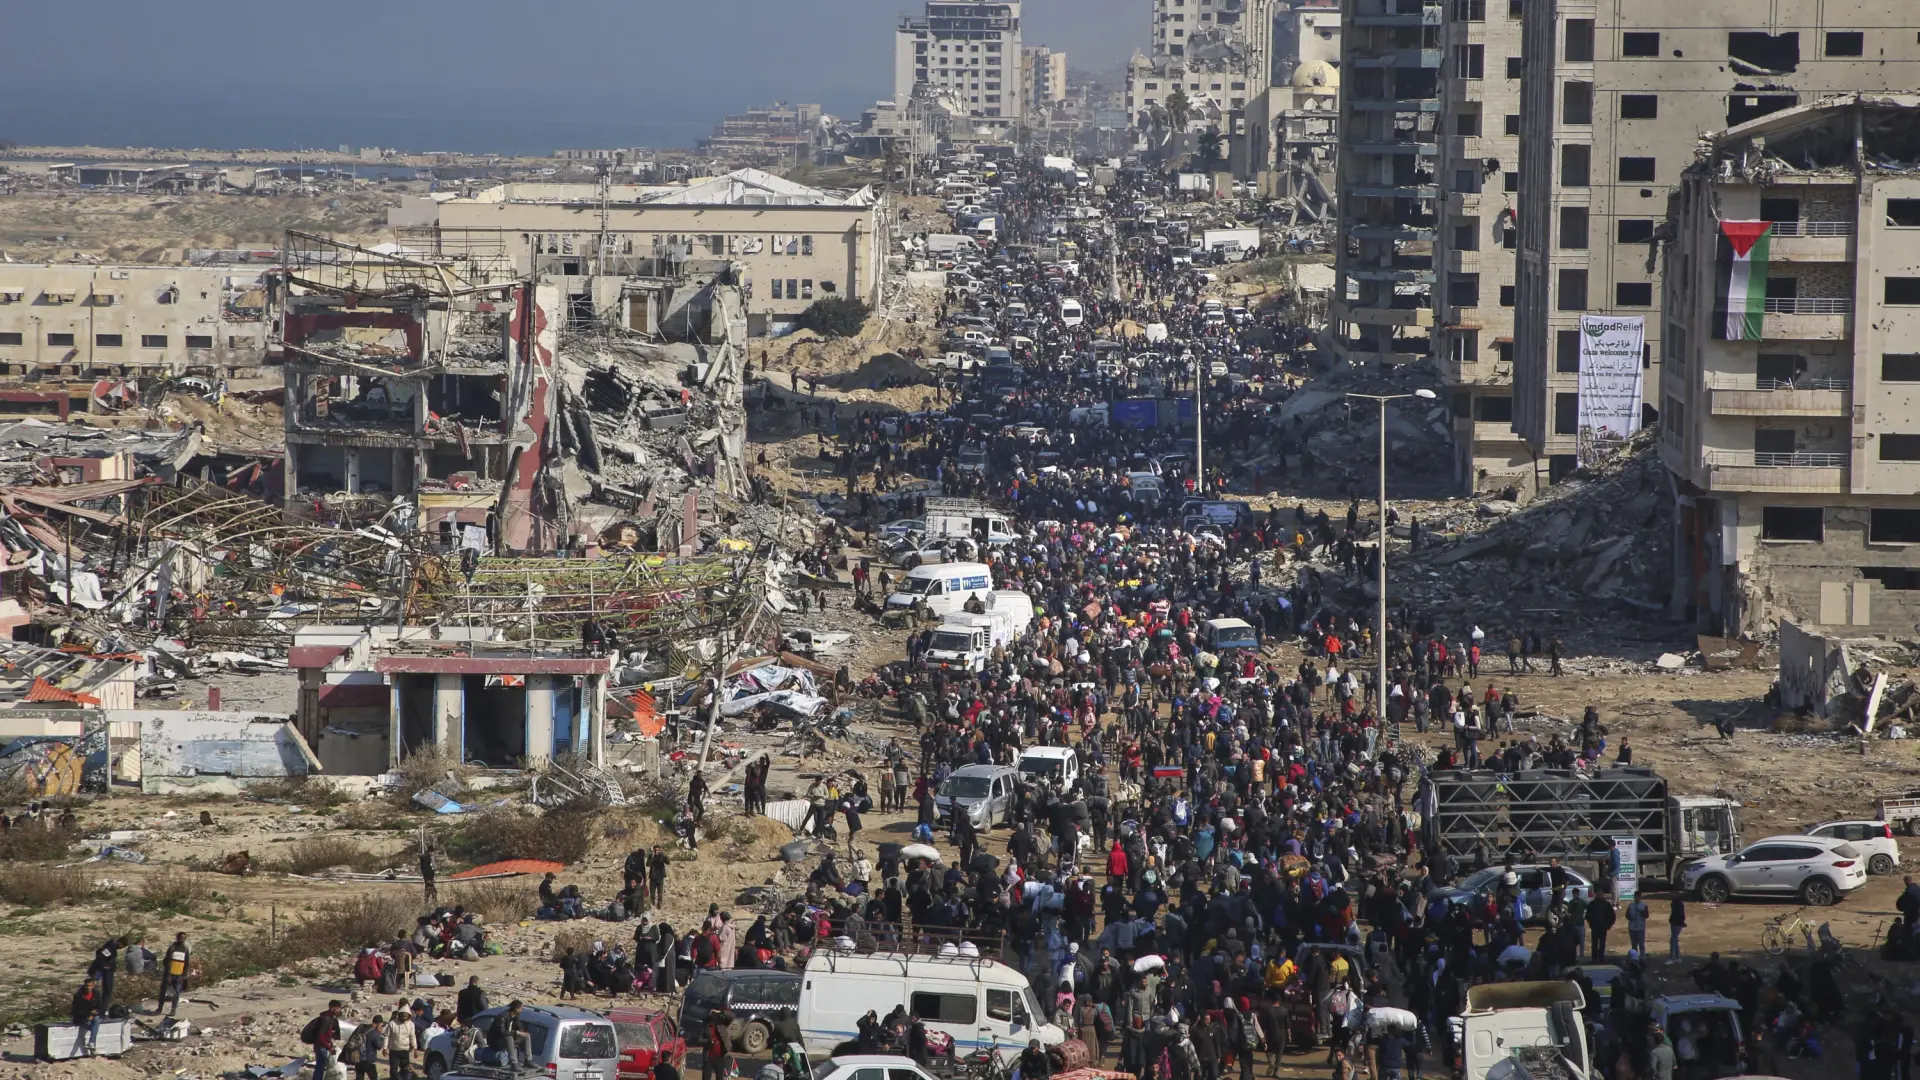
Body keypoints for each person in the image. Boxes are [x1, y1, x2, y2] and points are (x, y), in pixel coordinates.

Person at [304, 1001, 345, 1080]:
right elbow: (320, 1036)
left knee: (321, 1067)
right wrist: (329, 1048)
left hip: (322, 1046)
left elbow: (326, 1034)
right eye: (338, 1009)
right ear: (332, 1008)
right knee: (320, 1068)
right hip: (321, 1047)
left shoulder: (328, 1018)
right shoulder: (326, 1019)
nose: (339, 1010)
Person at [489, 1000, 534, 1068]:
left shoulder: (516, 1016)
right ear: (516, 1009)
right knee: (509, 1037)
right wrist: (516, 1032)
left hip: (507, 1039)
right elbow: (503, 1032)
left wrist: (521, 1033)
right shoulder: (502, 1016)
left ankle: (528, 1060)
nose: (522, 1010)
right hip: (496, 1041)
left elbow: (520, 1027)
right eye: (521, 1008)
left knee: (526, 1036)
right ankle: (514, 1062)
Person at [157, 933, 190, 1016]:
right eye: (180, 938)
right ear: (177, 938)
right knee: (163, 992)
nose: (182, 940)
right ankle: (159, 1008)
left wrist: (184, 975)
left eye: (183, 938)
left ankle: (173, 1010)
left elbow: (186, 963)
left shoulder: (185, 950)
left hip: (179, 975)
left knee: (176, 992)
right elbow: (167, 962)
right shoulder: (172, 948)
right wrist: (168, 975)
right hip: (169, 974)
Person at [70, 976, 103, 1056]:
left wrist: (94, 1013)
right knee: (93, 1026)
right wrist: (88, 1014)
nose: (88, 988)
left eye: (90, 986)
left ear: (93, 986)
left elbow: (100, 1007)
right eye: (87, 986)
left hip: (93, 1016)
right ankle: (92, 1045)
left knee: (96, 1020)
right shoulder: (78, 996)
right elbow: (76, 1010)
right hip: (81, 1018)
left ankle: (91, 1043)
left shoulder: (96, 994)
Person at [385, 1006, 419, 1080]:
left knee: (405, 1070)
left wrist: (415, 1049)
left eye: (406, 1016)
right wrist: (385, 1048)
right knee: (393, 1071)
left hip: (405, 1051)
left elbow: (412, 1036)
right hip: (394, 1051)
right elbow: (387, 1036)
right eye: (402, 1015)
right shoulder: (392, 1023)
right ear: (399, 1015)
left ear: (409, 1016)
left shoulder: (411, 1024)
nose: (404, 1017)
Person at [702, 1007, 734, 1080]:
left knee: (720, 1077)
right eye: (712, 1014)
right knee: (706, 1077)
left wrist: (720, 1012)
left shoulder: (722, 1024)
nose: (714, 1017)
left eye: (715, 1015)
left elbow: (732, 1016)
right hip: (708, 1056)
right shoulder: (706, 1025)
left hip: (720, 1056)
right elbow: (699, 1039)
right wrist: (708, 1042)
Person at [1668, 897, 1687, 961]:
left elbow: (1677, 915)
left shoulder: (1677, 906)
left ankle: (1672, 958)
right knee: (1674, 940)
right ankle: (1677, 957)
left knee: (1673, 940)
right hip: (1676, 924)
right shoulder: (1680, 905)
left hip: (1676, 924)